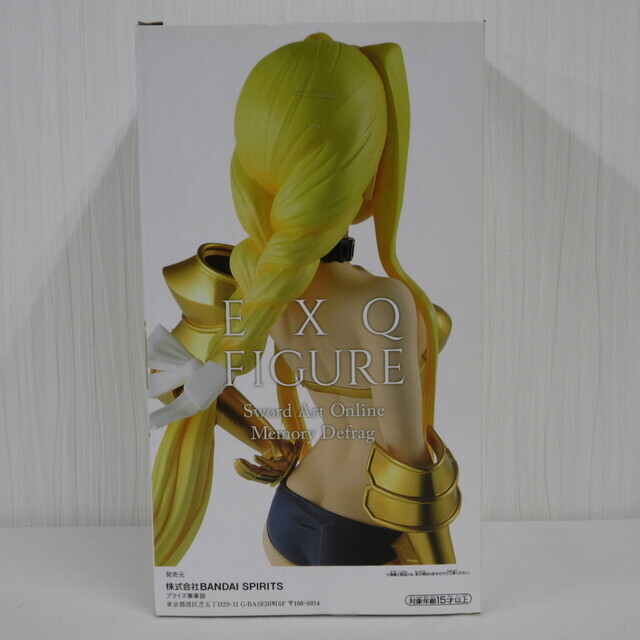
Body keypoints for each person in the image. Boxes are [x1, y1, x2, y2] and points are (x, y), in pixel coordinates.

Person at [148, 33, 460, 567]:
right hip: (369, 524)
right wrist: (447, 577)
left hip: (289, 512)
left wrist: (268, 440)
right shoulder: (381, 301)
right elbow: (406, 456)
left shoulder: (254, 274)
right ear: (366, 177)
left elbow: (169, 371)